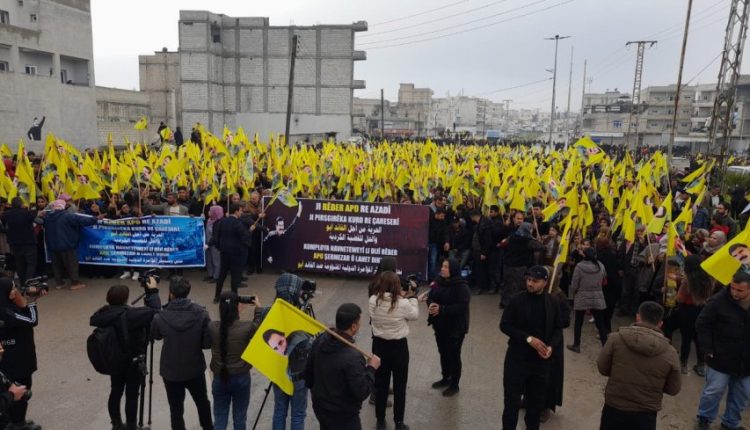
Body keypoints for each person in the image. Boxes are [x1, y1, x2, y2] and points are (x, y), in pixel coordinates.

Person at [500, 266, 567, 430]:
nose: (530, 284)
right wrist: (528, 339)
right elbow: (505, 325)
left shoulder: (552, 302)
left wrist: (550, 347)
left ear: (545, 282)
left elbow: (558, 329)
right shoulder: (516, 300)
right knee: (511, 405)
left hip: (540, 363)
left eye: (535, 281)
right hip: (517, 360)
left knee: (535, 407)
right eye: (528, 280)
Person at [597, 301, 682, 430]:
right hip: (646, 413)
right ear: (660, 324)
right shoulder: (670, 353)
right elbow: (674, 388)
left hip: (615, 405)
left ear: (638, 317)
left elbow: (602, 368)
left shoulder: (615, 339)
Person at [90, 280, 161, 430]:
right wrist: (153, 291)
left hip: (113, 359)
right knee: (132, 394)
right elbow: (155, 311)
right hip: (132, 361)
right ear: (125, 299)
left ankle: (116, 424)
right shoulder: (130, 315)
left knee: (116, 391)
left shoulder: (103, 314)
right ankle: (131, 427)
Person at [305, 303, 381, 430]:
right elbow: (362, 391)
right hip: (344, 417)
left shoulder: (320, 341)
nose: (360, 326)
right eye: (359, 323)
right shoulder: (353, 357)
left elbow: (308, 376)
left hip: (321, 409)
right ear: (353, 327)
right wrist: (371, 368)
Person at [150, 277, 213, 430]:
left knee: (176, 409)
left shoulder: (160, 316)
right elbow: (206, 344)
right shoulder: (202, 314)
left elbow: (155, 335)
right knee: (202, 402)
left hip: (171, 370)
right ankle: (208, 427)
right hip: (194, 368)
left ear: (171, 294)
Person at [695, 271, 750, 430]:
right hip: (720, 357)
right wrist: (707, 348)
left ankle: (731, 423)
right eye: (732, 288)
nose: (734, 292)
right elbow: (702, 324)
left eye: (740, 290)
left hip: (746, 361)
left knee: (741, 395)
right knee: (713, 391)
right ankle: (704, 418)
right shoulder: (718, 301)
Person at [369, 272, 419, 430]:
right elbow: (414, 315)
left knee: (381, 385)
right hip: (399, 348)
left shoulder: (373, 300)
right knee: (400, 386)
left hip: (380, 347)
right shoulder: (403, 303)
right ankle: (399, 422)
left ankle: (380, 421)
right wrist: (412, 297)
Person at [209, 292, 260, 430]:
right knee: (240, 418)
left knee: (220, 419)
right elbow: (259, 326)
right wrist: (258, 308)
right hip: (241, 377)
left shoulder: (212, 327)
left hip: (219, 377)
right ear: (237, 307)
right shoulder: (246, 327)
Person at [0, 277, 44, 430]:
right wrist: (32, 301)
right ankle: (18, 423)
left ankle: (15, 421)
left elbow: (21, 312)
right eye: (12, 289)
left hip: (11, 356)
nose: (15, 291)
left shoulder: (7, 306)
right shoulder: (6, 312)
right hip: (17, 358)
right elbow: (32, 320)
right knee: (21, 390)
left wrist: (23, 300)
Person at [427, 258, 471, 397]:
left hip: (455, 328)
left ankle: (454, 384)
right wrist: (430, 304)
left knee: (453, 355)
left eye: (446, 267)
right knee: (443, 352)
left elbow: (462, 307)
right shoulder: (438, 282)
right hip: (440, 325)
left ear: (453, 269)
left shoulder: (461, 287)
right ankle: (446, 377)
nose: (443, 269)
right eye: (442, 266)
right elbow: (430, 295)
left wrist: (442, 309)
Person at [38, 199, 97, 290]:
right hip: (67, 244)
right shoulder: (68, 216)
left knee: (56, 265)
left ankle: (59, 283)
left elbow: (38, 221)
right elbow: (84, 221)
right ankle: (75, 283)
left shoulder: (48, 217)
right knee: (71, 264)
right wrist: (95, 219)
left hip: (53, 245)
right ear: (64, 206)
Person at [678, 255, 716, 377]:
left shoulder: (687, 281)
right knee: (700, 339)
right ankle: (701, 365)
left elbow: (680, 298)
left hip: (688, 311)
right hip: (704, 311)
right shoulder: (710, 278)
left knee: (686, 339)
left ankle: (683, 363)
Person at [567, 247, 609, 353]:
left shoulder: (579, 266)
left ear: (584, 255)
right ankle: (606, 348)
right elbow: (604, 280)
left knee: (578, 321)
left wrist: (575, 292)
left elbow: (574, 284)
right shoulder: (601, 265)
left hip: (582, 296)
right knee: (600, 323)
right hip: (597, 296)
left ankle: (576, 345)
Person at [211, 203, 251, 303]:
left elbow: (216, 236)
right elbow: (245, 237)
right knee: (234, 277)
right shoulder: (238, 223)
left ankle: (217, 296)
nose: (241, 212)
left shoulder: (222, 221)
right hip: (236, 254)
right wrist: (250, 230)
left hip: (224, 253)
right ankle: (234, 298)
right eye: (240, 211)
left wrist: (220, 248)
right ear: (236, 211)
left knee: (222, 275)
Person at [500, 222, 545, 308]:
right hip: (519, 266)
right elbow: (542, 247)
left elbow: (503, 244)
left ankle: (505, 302)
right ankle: (515, 305)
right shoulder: (527, 240)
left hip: (507, 265)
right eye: (531, 229)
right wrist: (539, 241)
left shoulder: (512, 236)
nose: (532, 231)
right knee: (518, 286)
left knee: (507, 284)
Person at [1, 198, 38, 284]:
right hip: (29, 242)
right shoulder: (27, 213)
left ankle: (22, 283)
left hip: (14, 243)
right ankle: (28, 283)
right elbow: (36, 218)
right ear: (21, 204)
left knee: (19, 264)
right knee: (31, 263)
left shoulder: (7, 214)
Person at [204, 205, 223, 284]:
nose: (209, 212)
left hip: (215, 244)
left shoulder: (219, 222)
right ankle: (210, 274)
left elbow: (216, 235)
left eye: (211, 211)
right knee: (209, 259)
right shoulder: (209, 220)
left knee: (216, 261)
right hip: (207, 243)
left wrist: (209, 243)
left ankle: (216, 276)